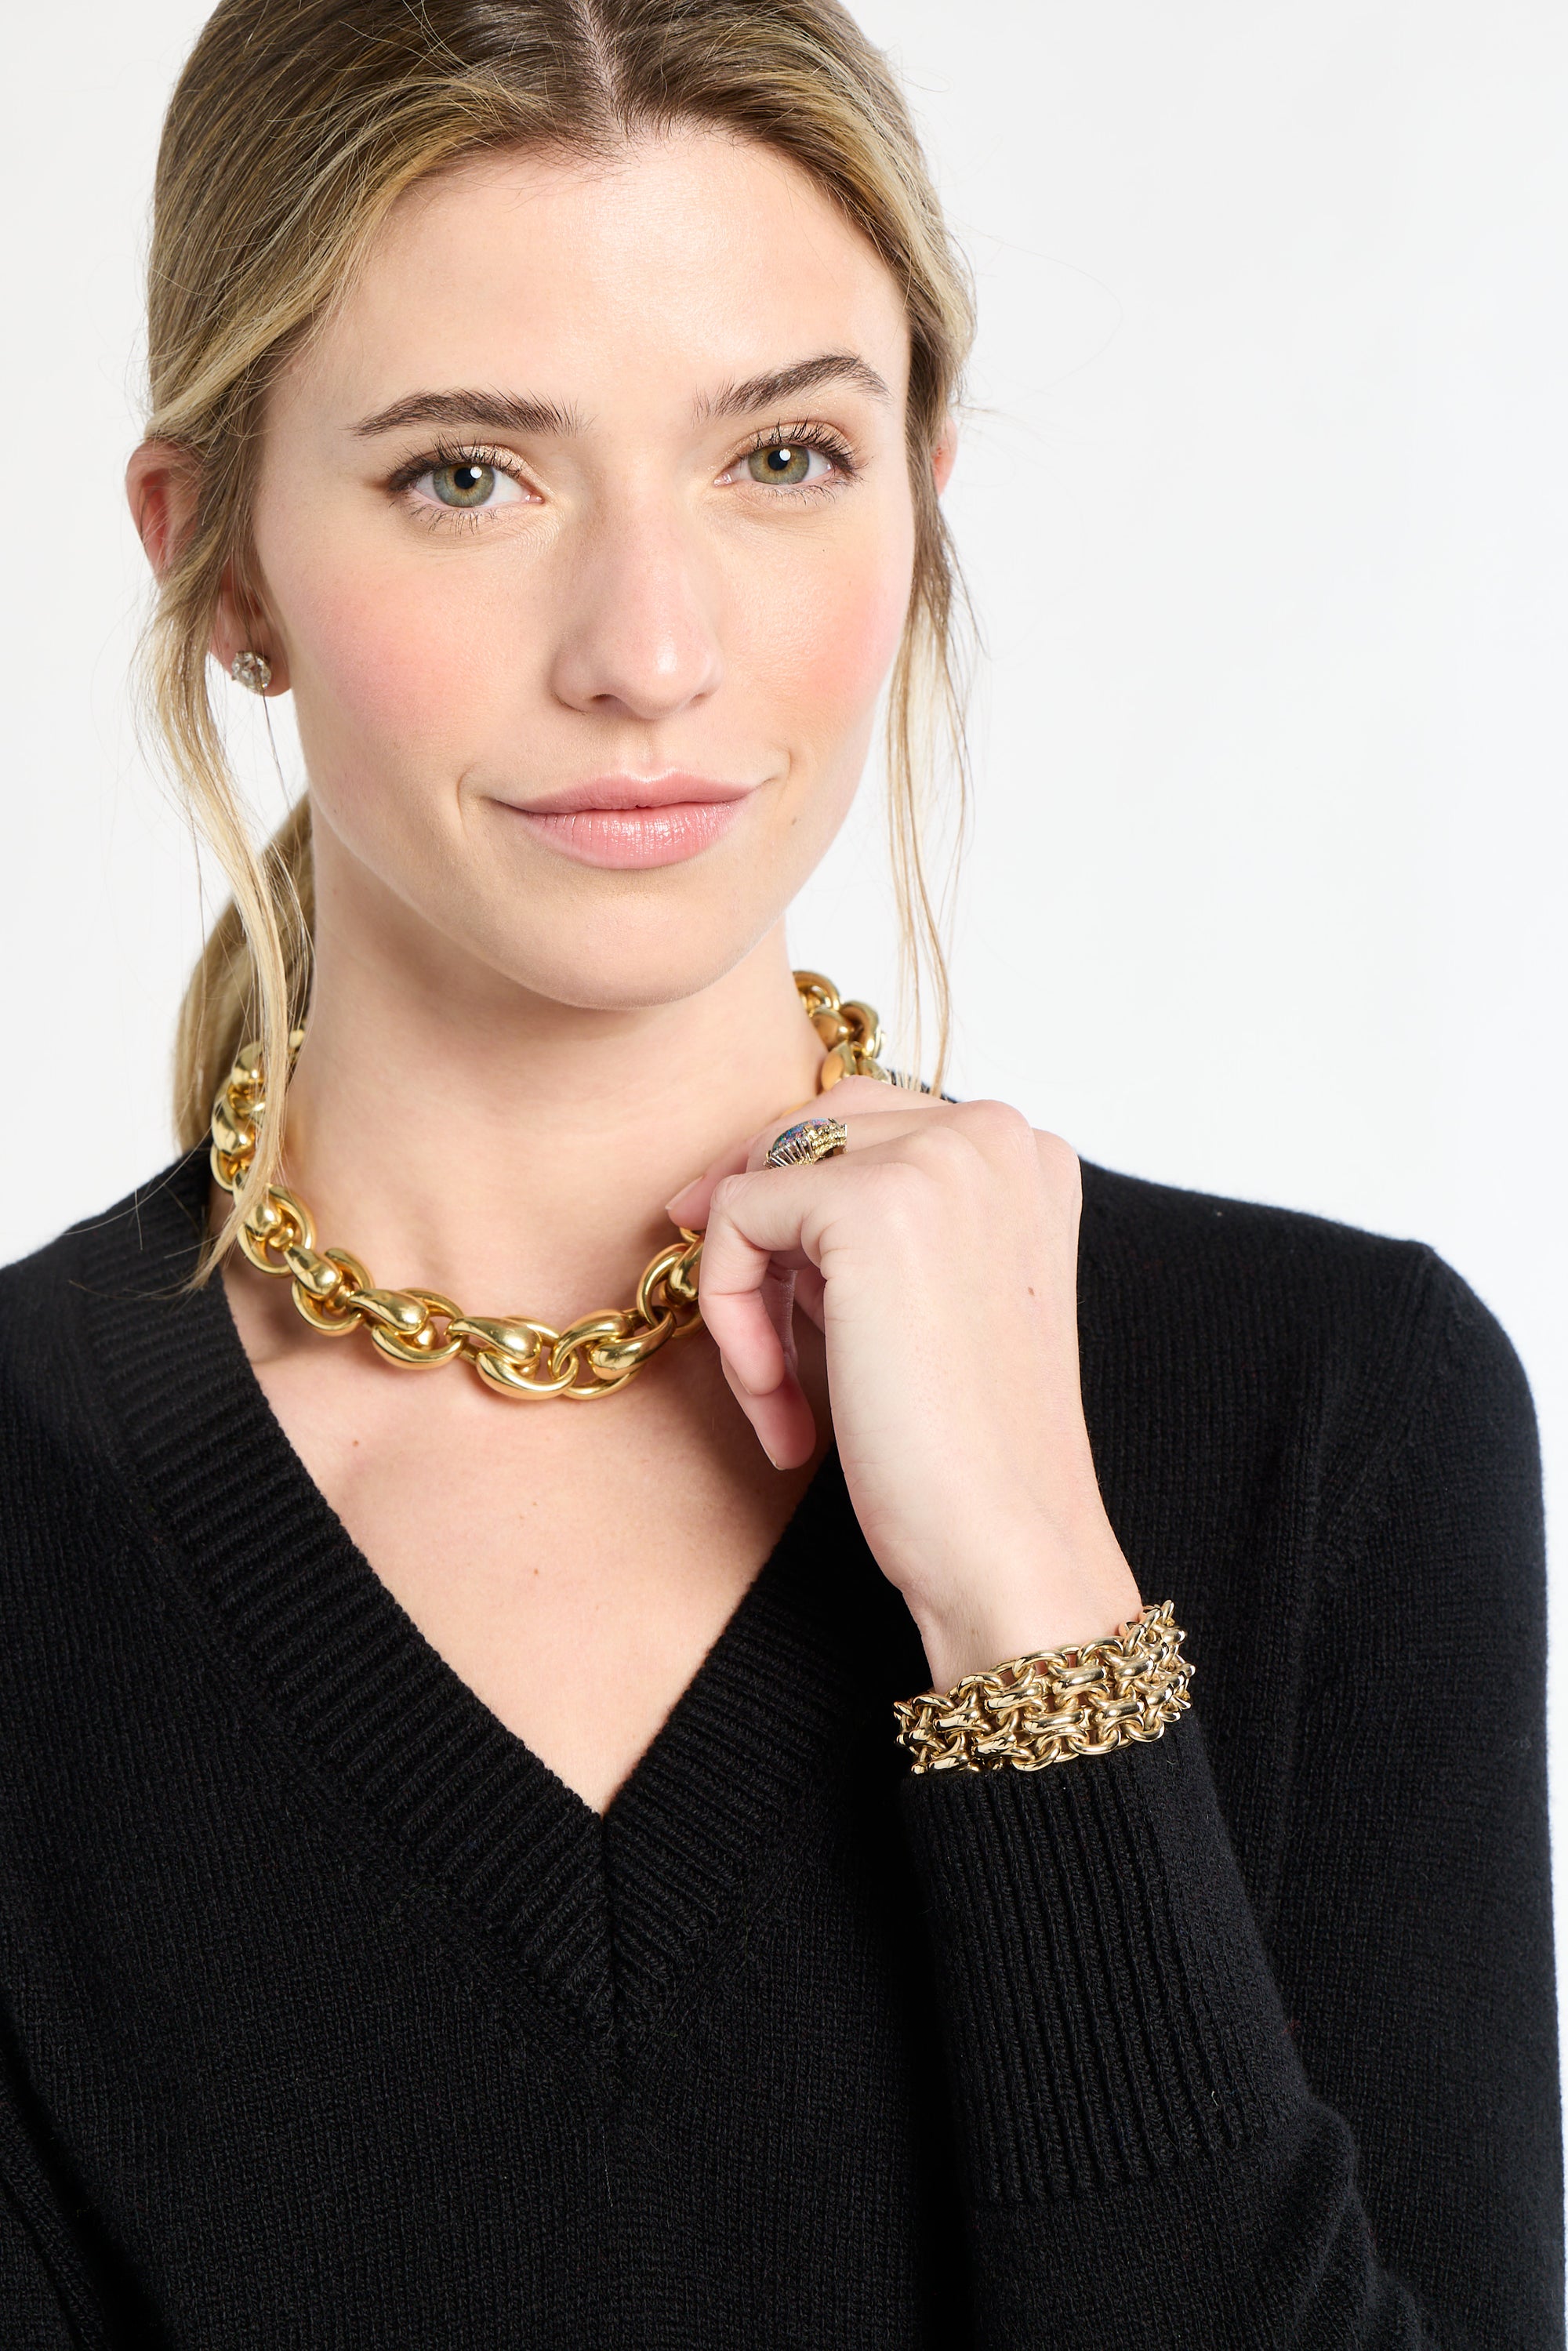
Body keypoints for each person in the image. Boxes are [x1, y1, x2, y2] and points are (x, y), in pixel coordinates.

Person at [0, 0, 1559, 2342]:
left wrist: (1039, 1611)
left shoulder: (1336, 1413)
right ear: (218, 557)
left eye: (782, 458)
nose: (649, 649)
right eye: (465, 475)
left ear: (921, 495)